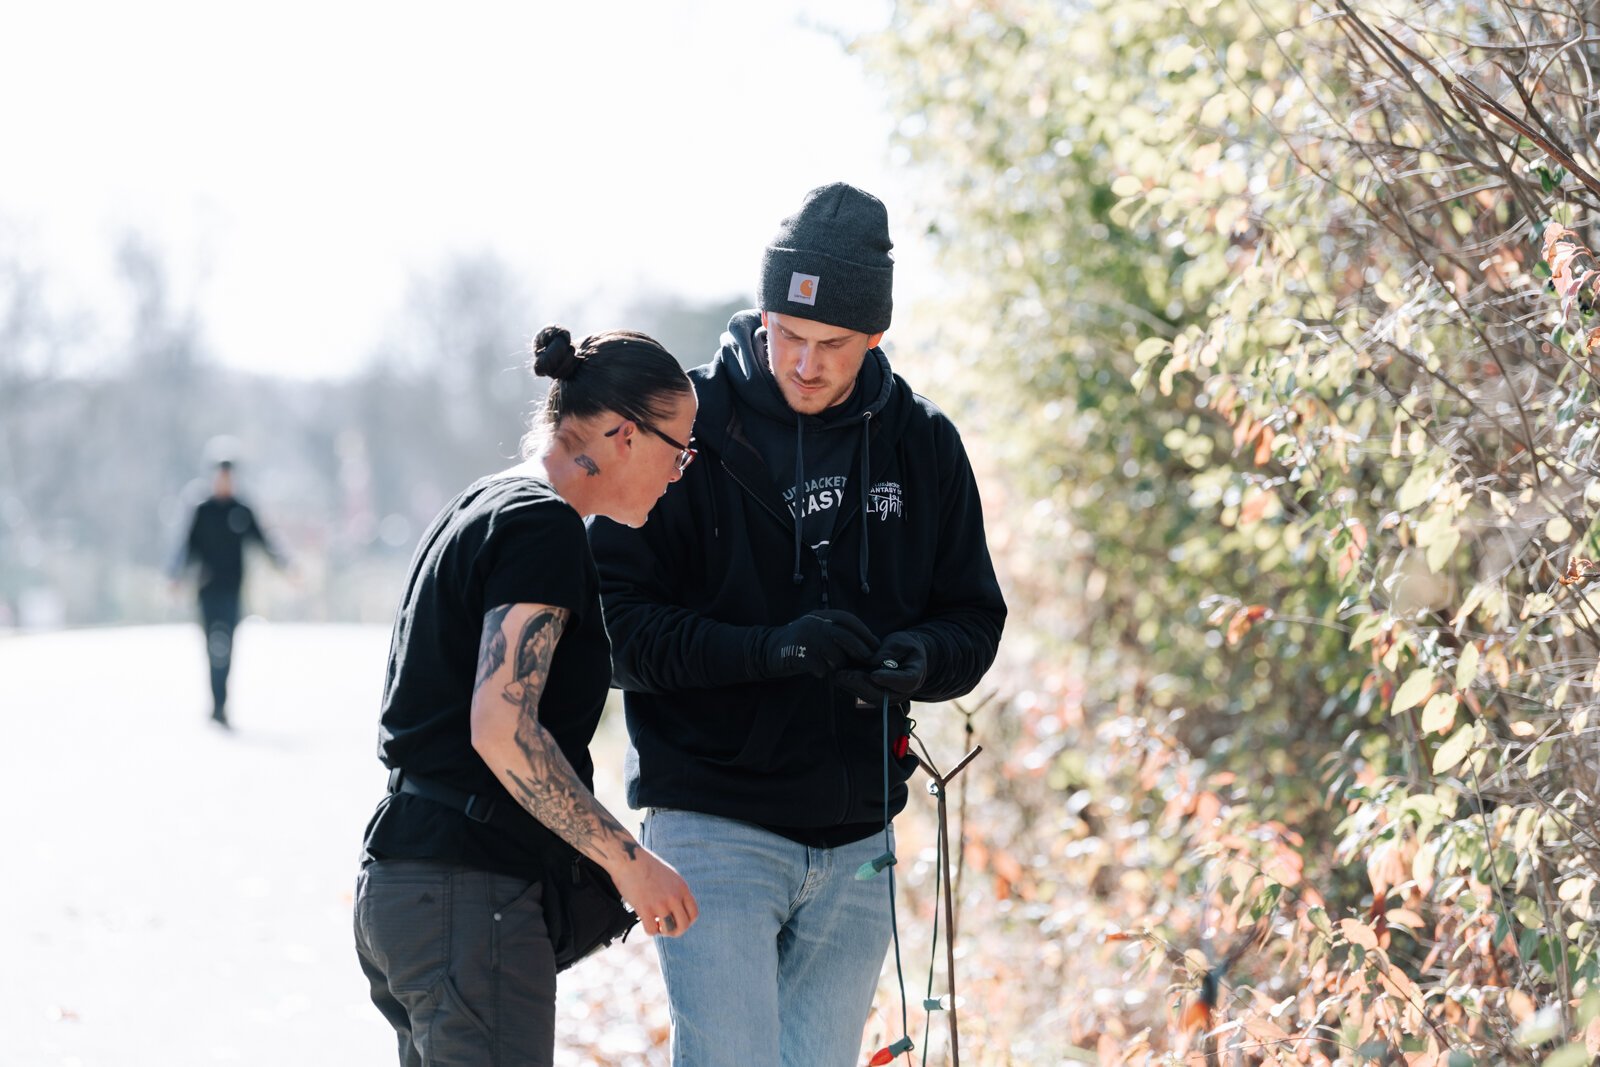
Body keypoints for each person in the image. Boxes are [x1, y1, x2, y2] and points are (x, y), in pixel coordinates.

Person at [588, 183, 1008, 1066]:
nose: (805, 362)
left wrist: (920, 657)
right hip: (712, 819)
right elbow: (616, 629)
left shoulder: (922, 443)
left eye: (833, 345)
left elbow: (974, 616)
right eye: (788, 333)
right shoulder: (683, 430)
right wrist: (769, 650)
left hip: (858, 834)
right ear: (764, 310)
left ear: (876, 337)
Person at [354, 325, 700, 1067]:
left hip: (408, 882)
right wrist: (629, 862)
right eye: (681, 450)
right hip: (467, 898)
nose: (681, 473)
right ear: (622, 435)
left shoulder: (480, 504)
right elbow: (502, 727)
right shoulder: (542, 526)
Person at [171, 458, 285, 727]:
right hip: (207, 590)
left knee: (226, 646)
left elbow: (264, 542)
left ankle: (222, 704)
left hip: (232, 591)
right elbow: (187, 548)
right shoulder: (203, 511)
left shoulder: (242, 511)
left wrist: (287, 568)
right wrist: (176, 577)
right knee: (213, 646)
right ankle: (216, 702)